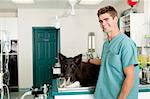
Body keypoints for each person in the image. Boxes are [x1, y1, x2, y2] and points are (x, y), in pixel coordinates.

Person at [88, 5, 139, 99]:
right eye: (101, 21)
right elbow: (105, 61)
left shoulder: (126, 44)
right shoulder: (106, 44)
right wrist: (89, 60)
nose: (103, 23)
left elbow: (130, 77)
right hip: (103, 95)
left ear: (115, 19)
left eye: (106, 19)